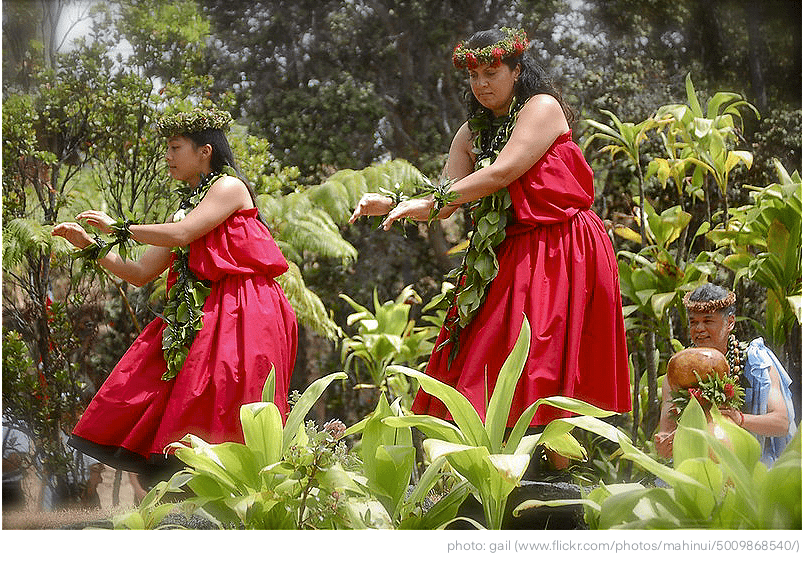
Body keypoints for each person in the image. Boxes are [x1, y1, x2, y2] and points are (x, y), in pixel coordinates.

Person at [350, 28, 631, 465]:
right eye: (474, 74)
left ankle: (558, 481)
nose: (481, 83)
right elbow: (446, 196)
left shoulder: (542, 108)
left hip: (562, 247)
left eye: (492, 71)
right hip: (509, 252)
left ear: (517, 71)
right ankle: (487, 477)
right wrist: (397, 202)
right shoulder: (469, 132)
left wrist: (431, 199)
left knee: (546, 358)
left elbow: (503, 172)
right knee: (485, 359)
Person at [52, 106, 298, 486]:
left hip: (247, 308)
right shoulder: (189, 203)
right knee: (159, 375)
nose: (167, 156)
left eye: (175, 147)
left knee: (232, 395)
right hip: (208, 310)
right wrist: (92, 245)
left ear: (205, 151)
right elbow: (140, 273)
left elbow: (182, 234)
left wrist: (121, 226)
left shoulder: (229, 188)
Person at [655, 283, 796, 465]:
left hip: (749, 468)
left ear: (730, 322)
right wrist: (664, 443)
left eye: (707, 321)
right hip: (697, 468)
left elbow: (782, 423)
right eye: (693, 322)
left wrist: (740, 419)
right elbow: (665, 429)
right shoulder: (679, 369)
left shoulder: (756, 361)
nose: (699, 329)